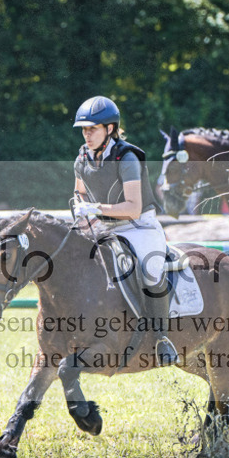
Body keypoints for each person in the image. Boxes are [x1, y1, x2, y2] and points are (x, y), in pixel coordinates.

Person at [71, 95, 179, 367]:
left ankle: (162, 339)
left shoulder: (127, 157)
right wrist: (81, 208)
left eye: (92, 128)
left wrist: (94, 208)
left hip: (138, 225)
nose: (87, 134)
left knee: (151, 268)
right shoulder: (82, 157)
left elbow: (132, 208)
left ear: (109, 129)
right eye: (84, 129)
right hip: (103, 225)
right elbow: (78, 192)